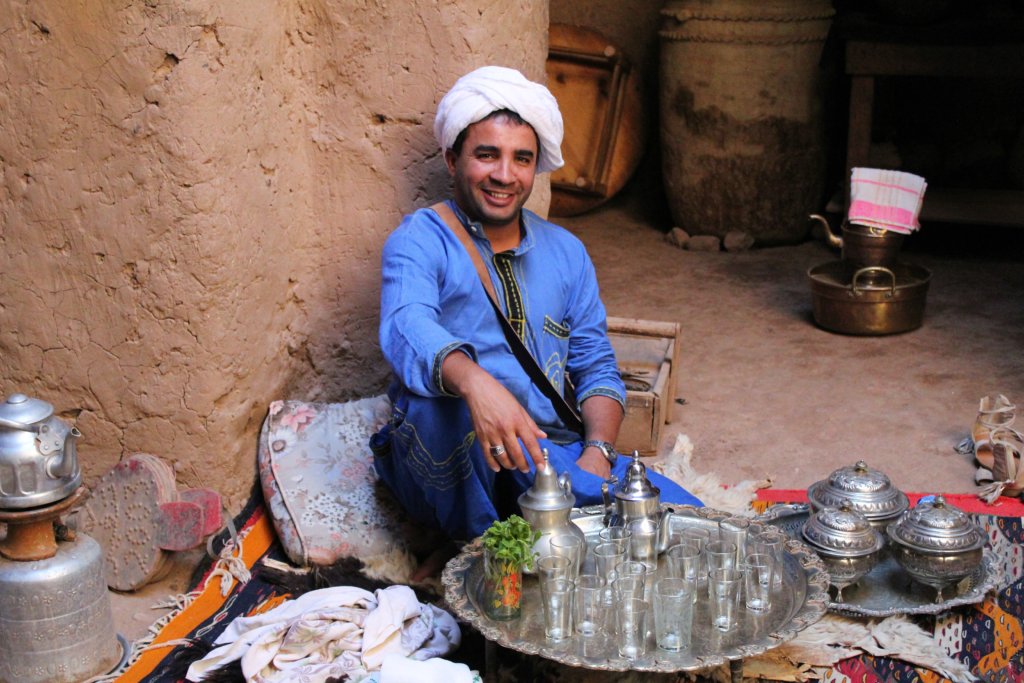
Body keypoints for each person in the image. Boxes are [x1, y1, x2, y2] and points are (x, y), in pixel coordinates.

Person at [370, 65, 701, 553]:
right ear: (451, 157)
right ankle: (489, 554)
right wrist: (478, 385)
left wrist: (598, 451)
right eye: (487, 155)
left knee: (683, 525)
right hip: (456, 452)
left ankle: (553, 530)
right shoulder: (420, 240)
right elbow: (406, 324)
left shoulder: (566, 252)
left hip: (543, 453)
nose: (505, 175)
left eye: (521, 159)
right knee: (441, 411)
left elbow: (596, 365)